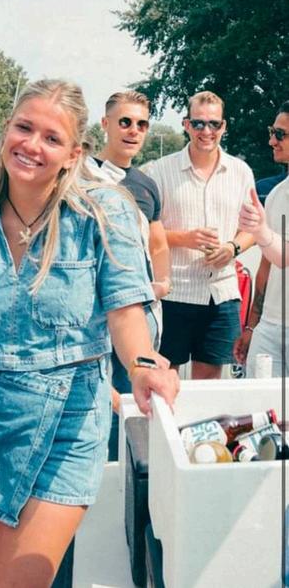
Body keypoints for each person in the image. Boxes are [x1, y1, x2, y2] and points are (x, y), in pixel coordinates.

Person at [0, 79, 179, 587]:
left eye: (51, 138)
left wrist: (142, 366)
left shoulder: (102, 213)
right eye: (24, 128)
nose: (32, 145)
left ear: (74, 154)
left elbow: (125, 312)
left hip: (68, 419)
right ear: (6, 129)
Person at [147, 90, 255, 379]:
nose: (206, 131)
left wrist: (232, 248)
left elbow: (252, 229)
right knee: (164, 382)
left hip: (221, 294)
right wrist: (184, 239)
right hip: (174, 293)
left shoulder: (241, 172)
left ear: (224, 126)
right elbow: (143, 231)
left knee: (208, 388)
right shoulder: (160, 171)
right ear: (186, 125)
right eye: (198, 123)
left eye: (214, 124)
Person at [92, 90, 171, 459]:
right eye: (125, 122)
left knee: (136, 409)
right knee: (99, 410)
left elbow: (158, 242)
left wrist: (163, 282)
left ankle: (131, 478)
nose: (133, 130)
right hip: (97, 315)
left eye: (141, 124)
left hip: (142, 315)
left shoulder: (146, 183)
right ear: (105, 124)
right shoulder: (82, 176)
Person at [234, 101, 289, 376]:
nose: (271, 141)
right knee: (259, 402)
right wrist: (252, 326)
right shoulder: (277, 194)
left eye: (280, 134)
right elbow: (267, 265)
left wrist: (262, 233)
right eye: (272, 132)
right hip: (270, 327)